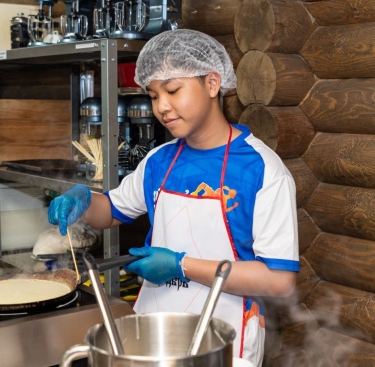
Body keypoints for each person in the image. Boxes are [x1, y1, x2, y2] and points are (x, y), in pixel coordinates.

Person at [48, 28, 299, 366]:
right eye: (153, 95)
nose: (161, 107)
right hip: (153, 333)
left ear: (212, 84)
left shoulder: (262, 169)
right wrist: (83, 201)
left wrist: (181, 266)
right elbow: (112, 210)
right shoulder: (160, 160)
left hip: (223, 340)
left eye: (172, 90)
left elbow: (279, 280)